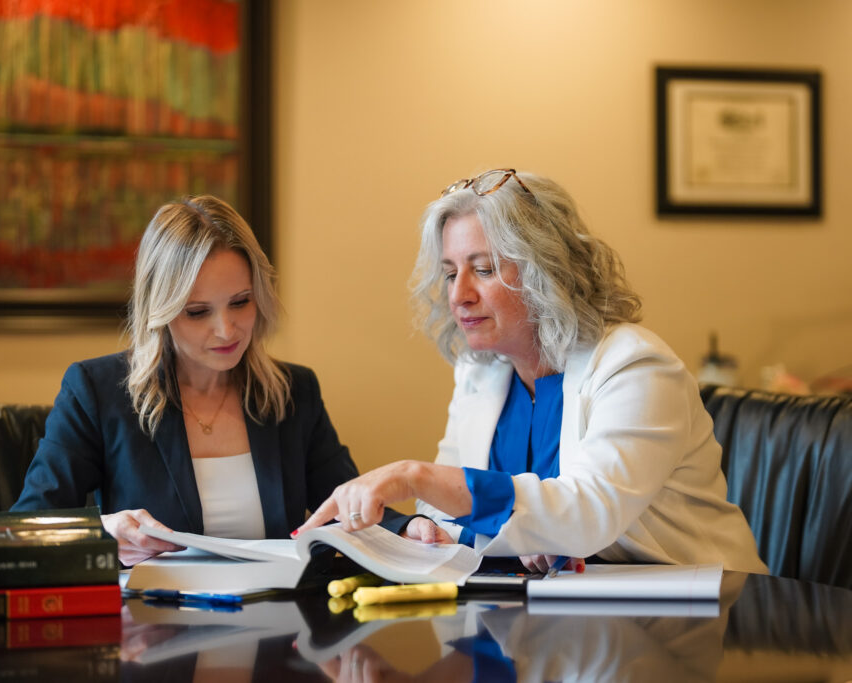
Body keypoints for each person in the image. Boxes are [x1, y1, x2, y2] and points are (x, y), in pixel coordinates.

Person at [296, 168, 767, 574]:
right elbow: (449, 503)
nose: (458, 294)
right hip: (568, 618)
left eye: (482, 269)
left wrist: (414, 475)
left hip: (705, 616)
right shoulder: (480, 369)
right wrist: (427, 527)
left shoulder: (635, 366)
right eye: (449, 272)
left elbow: (587, 514)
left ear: (547, 270)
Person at [13, 196, 374, 565]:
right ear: (161, 310)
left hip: (278, 613)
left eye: (240, 302)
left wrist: (411, 528)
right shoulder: (96, 391)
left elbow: (351, 511)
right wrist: (103, 530)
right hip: (156, 617)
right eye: (198, 312)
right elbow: (25, 527)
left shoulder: (293, 391)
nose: (226, 330)